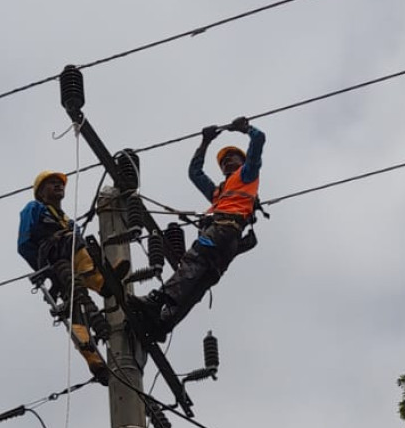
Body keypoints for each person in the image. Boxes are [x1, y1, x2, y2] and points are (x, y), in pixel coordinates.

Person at [131, 119, 264, 342]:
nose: (228, 161)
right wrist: (204, 142)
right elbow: (195, 173)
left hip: (223, 231)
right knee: (199, 283)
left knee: (194, 261)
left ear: (243, 160)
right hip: (227, 244)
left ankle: (157, 301)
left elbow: (259, 140)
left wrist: (245, 129)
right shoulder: (218, 192)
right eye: (223, 161)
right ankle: (163, 324)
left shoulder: (247, 174)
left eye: (233, 157)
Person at [18, 171, 109, 381]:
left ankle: (95, 363)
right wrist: (45, 268)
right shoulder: (34, 209)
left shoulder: (67, 220)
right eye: (52, 183)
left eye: (60, 183)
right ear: (40, 192)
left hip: (72, 264)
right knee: (72, 240)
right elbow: (24, 244)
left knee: (77, 307)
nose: (58, 186)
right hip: (54, 258)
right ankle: (99, 281)